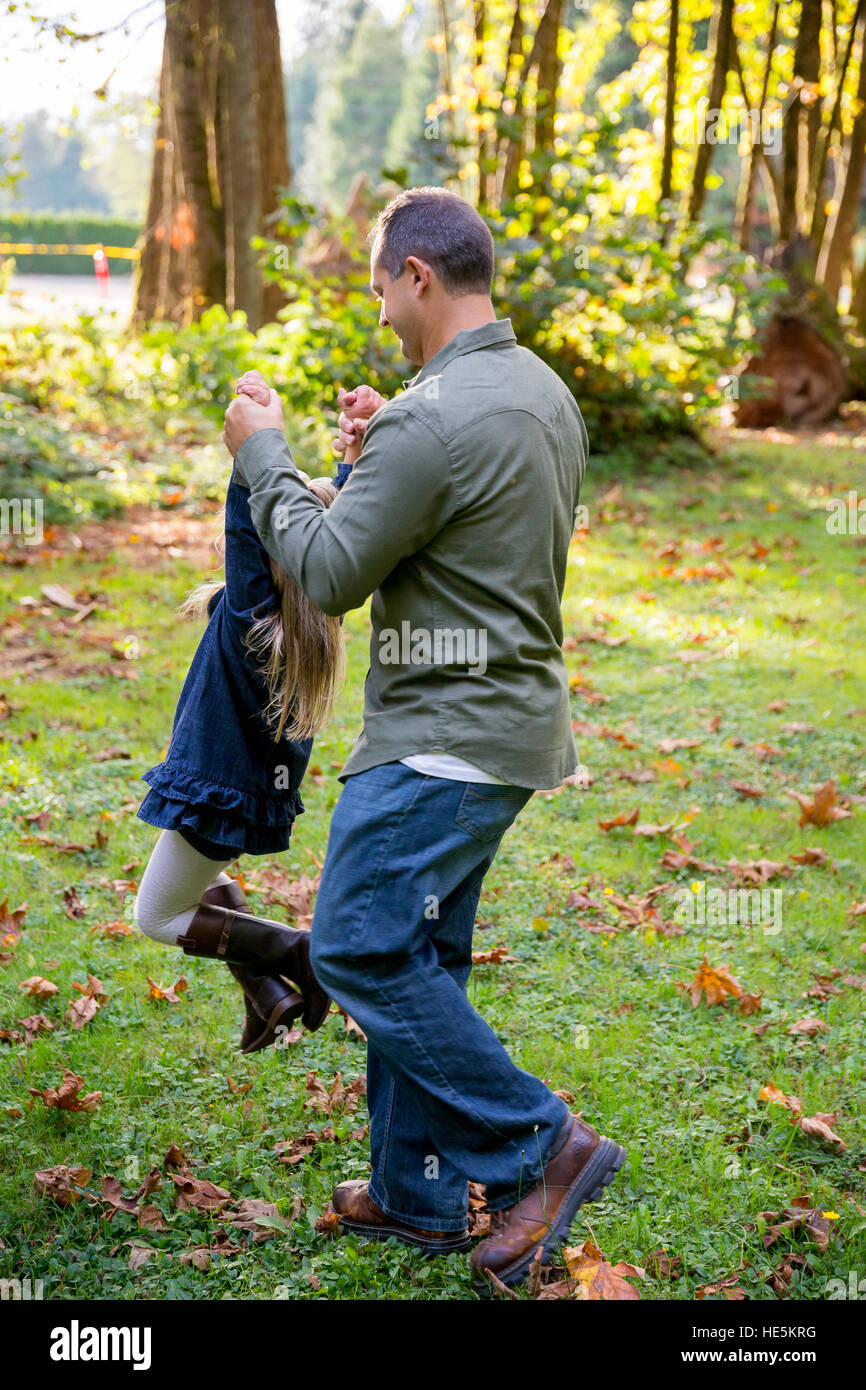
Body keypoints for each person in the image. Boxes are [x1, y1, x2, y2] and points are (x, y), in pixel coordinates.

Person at [222, 186, 627, 1295]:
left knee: (355, 947)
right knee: (422, 947)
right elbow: (453, 530)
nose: (378, 311)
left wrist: (266, 455)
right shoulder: (535, 390)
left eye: (378, 287)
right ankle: (420, 1190)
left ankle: (541, 1146)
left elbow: (332, 573)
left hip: (438, 738)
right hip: (511, 727)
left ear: (415, 276)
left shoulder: (433, 414)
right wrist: (370, 455)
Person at [132, 454, 345, 1054]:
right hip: (245, 790)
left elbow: (242, 520)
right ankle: (268, 995)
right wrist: (348, 460)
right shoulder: (307, 616)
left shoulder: (251, 616)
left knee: (157, 917)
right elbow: (342, 527)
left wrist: (251, 448)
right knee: (203, 881)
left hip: (220, 792)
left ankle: (298, 953)